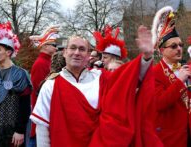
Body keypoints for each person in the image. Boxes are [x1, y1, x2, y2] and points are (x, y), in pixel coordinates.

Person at [30, 24, 161, 146]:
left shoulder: (101, 78)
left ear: (89, 56)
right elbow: (43, 130)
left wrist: (145, 57)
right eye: (73, 48)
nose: (77, 52)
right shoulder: (50, 85)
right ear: (64, 52)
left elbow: (130, 80)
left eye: (82, 49)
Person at [0, 16, 32, 147]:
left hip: (13, 130)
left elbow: (25, 105)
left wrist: (20, 130)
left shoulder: (20, 74)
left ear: (8, 52)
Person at [152, 6, 191, 147]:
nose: (179, 49)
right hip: (170, 138)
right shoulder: (154, 73)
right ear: (162, 50)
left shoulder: (185, 69)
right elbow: (160, 103)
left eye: (180, 45)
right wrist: (180, 81)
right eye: (173, 46)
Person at [29, 25, 59, 146]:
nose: (56, 48)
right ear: (45, 46)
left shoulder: (47, 61)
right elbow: (39, 90)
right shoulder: (41, 63)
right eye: (54, 45)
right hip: (42, 112)